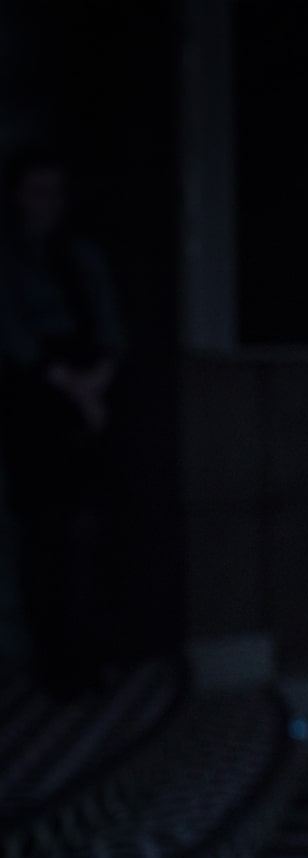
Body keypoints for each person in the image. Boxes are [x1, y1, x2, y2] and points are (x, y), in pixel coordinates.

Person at [0, 148, 128, 693]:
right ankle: (56, 664)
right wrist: (71, 388)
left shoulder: (84, 256)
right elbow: (14, 336)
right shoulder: (7, 259)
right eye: (37, 190)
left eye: (56, 190)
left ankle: (91, 654)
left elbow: (111, 326)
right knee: (45, 534)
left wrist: (97, 380)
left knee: (89, 530)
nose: (47, 203)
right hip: (37, 396)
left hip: (88, 388)